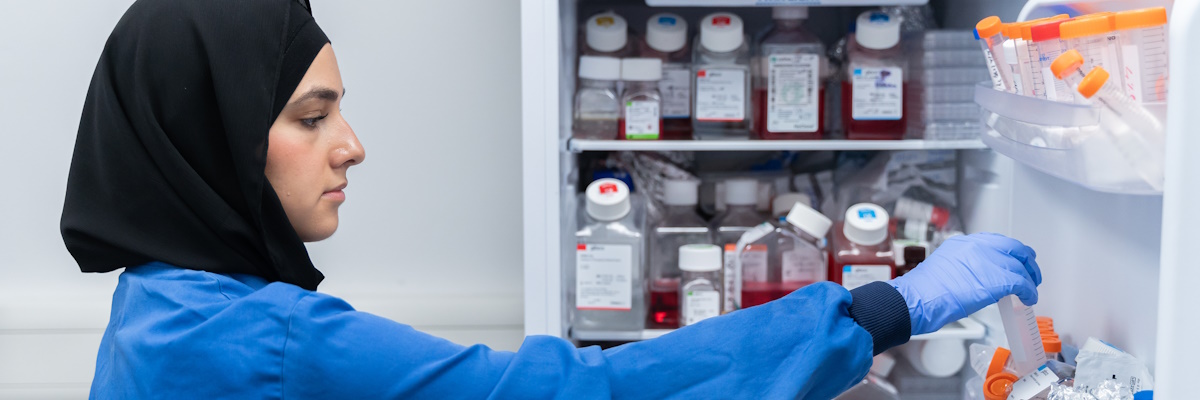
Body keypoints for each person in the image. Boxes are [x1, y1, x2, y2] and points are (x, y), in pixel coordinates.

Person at [61, 1, 1042, 398]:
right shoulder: (267, 339)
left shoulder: (150, 312)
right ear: (212, 137)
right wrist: (877, 310)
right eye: (313, 116)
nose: (353, 146)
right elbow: (576, 395)